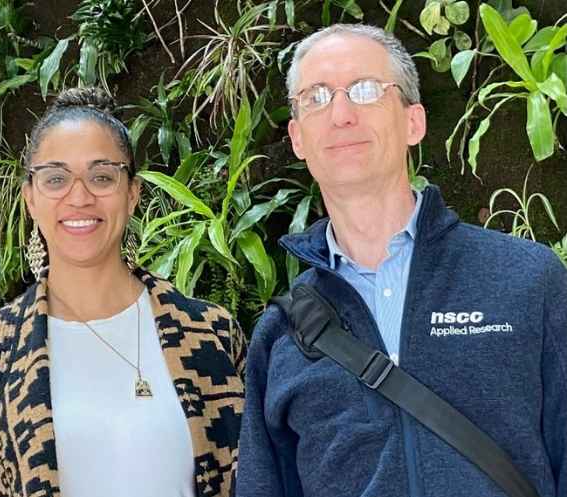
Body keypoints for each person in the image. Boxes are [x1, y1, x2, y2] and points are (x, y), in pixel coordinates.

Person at [237, 24, 567, 497]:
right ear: (297, 139)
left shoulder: (527, 280)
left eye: (365, 90)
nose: (341, 114)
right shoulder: (284, 335)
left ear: (415, 122)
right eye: (316, 97)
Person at [0, 87, 245, 497]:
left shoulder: (210, 334)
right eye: (56, 179)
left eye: (102, 176)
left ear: (132, 193)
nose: (80, 197)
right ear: (30, 199)